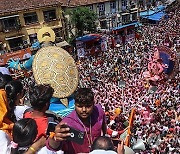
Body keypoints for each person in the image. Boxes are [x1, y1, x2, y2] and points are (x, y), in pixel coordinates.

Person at [46, 88, 107, 153]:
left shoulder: (99, 111)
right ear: (74, 104)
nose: (84, 110)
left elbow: (104, 127)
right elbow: (53, 147)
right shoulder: (67, 123)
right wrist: (55, 139)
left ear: (93, 103)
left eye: (88, 106)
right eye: (80, 106)